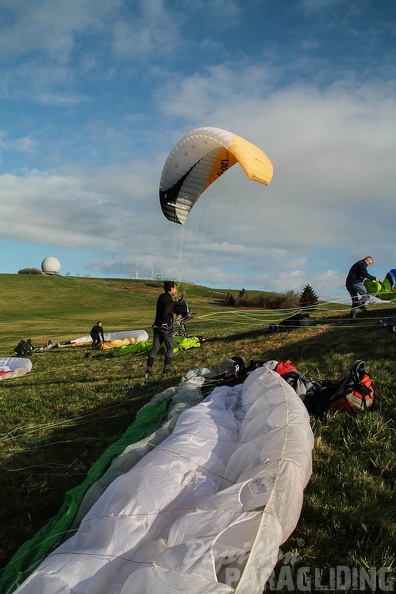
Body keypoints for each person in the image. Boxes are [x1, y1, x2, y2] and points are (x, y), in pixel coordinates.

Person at [145, 281, 177, 377]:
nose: (176, 290)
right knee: (170, 348)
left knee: (155, 348)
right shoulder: (169, 300)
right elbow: (166, 312)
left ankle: (148, 371)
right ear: (171, 289)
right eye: (175, 288)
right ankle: (166, 371)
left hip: (157, 327)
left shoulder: (161, 297)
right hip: (165, 328)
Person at [345, 256, 380, 320]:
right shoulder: (362, 263)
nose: (370, 264)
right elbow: (365, 274)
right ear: (367, 260)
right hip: (355, 283)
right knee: (366, 296)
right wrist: (375, 278)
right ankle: (360, 305)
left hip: (348, 284)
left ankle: (352, 319)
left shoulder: (359, 264)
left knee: (355, 300)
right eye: (370, 263)